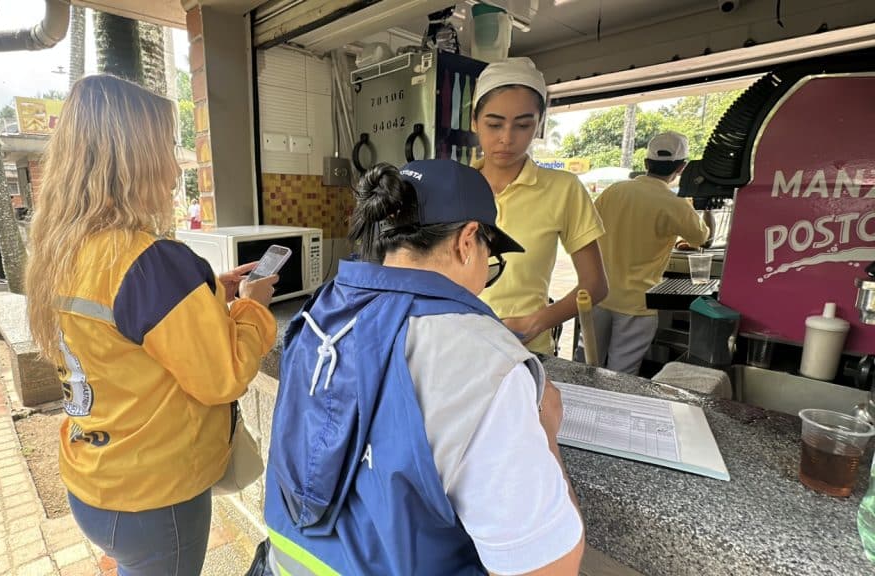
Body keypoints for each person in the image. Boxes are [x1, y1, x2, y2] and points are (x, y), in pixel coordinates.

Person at [263, 160, 584, 575]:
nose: (486, 278)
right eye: (490, 258)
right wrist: (546, 431)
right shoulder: (481, 358)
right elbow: (549, 568)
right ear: (468, 241)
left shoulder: (321, 309)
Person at [24, 75, 280, 576]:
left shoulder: (60, 250)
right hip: (155, 501)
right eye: (166, 145)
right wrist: (250, 306)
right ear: (136, 156)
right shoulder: (151, 263)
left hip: (94, 481)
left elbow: (123, 336)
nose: (172, 164)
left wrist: (206, 295)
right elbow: (223, 377)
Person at [471, 58, 608, 355]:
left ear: (539, 124)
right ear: (474, 121)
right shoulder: (454, 186)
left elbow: (595, 284)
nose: (506, 138)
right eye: (494, 124)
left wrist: (537, 321)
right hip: (457, 348)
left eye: (523, 125)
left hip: (526, 354)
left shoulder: (563, 189)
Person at [577, 131, 711, 374]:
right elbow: (703, 239)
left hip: (598, 294)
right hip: (637, 304)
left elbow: (588, 229)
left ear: (646, 163)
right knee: (621, 376)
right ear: (681, 167)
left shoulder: (614, 191)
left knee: (584, 368)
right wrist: (706, 203)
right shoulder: (676, 205)